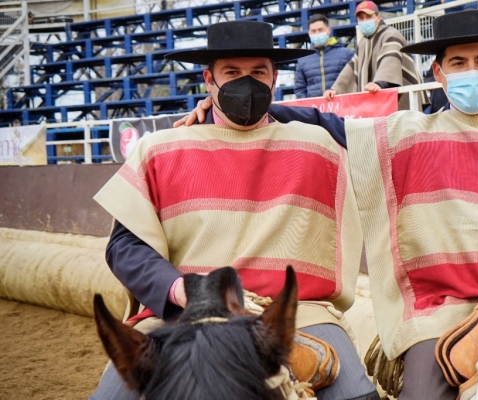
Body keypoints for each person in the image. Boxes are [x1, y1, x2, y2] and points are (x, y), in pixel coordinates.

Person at [177, 10, 478, 399]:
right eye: (458, 63)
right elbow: (327, 123)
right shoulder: (408, 132)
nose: (471, 71)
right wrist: (232, 105)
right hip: (439, 312)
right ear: (439, 73)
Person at [90, 20, 379, 400]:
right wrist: (180, 291)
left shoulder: (317, 144)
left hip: (297, 312)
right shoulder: (158, 149)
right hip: (181, 313)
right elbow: (124, 247)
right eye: (232, 73)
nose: (247, 83)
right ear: (210, 81)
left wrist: (283, 114)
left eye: (258, 72)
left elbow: (370, 138)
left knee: (357, 396)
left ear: (275, 80)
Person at [323, 0, 427, 110]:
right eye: (361, 18)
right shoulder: (363, 42)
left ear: (378, 17)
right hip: (379, 101)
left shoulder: (390, 34)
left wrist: (380, 82)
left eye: (368, 17)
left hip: (400, 99)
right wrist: (336, 89)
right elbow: (352, 67)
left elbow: (390, 60)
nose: (364, 21)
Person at [295, 14, 355, 98]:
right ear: (309, 33)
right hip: (314, 109)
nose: (317, 33)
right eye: (313, 31)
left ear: (328, 30)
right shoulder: (302, 61)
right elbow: (300, 90)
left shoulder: (347, 54)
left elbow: (352, 82)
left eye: (320, 30)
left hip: (342, 107)